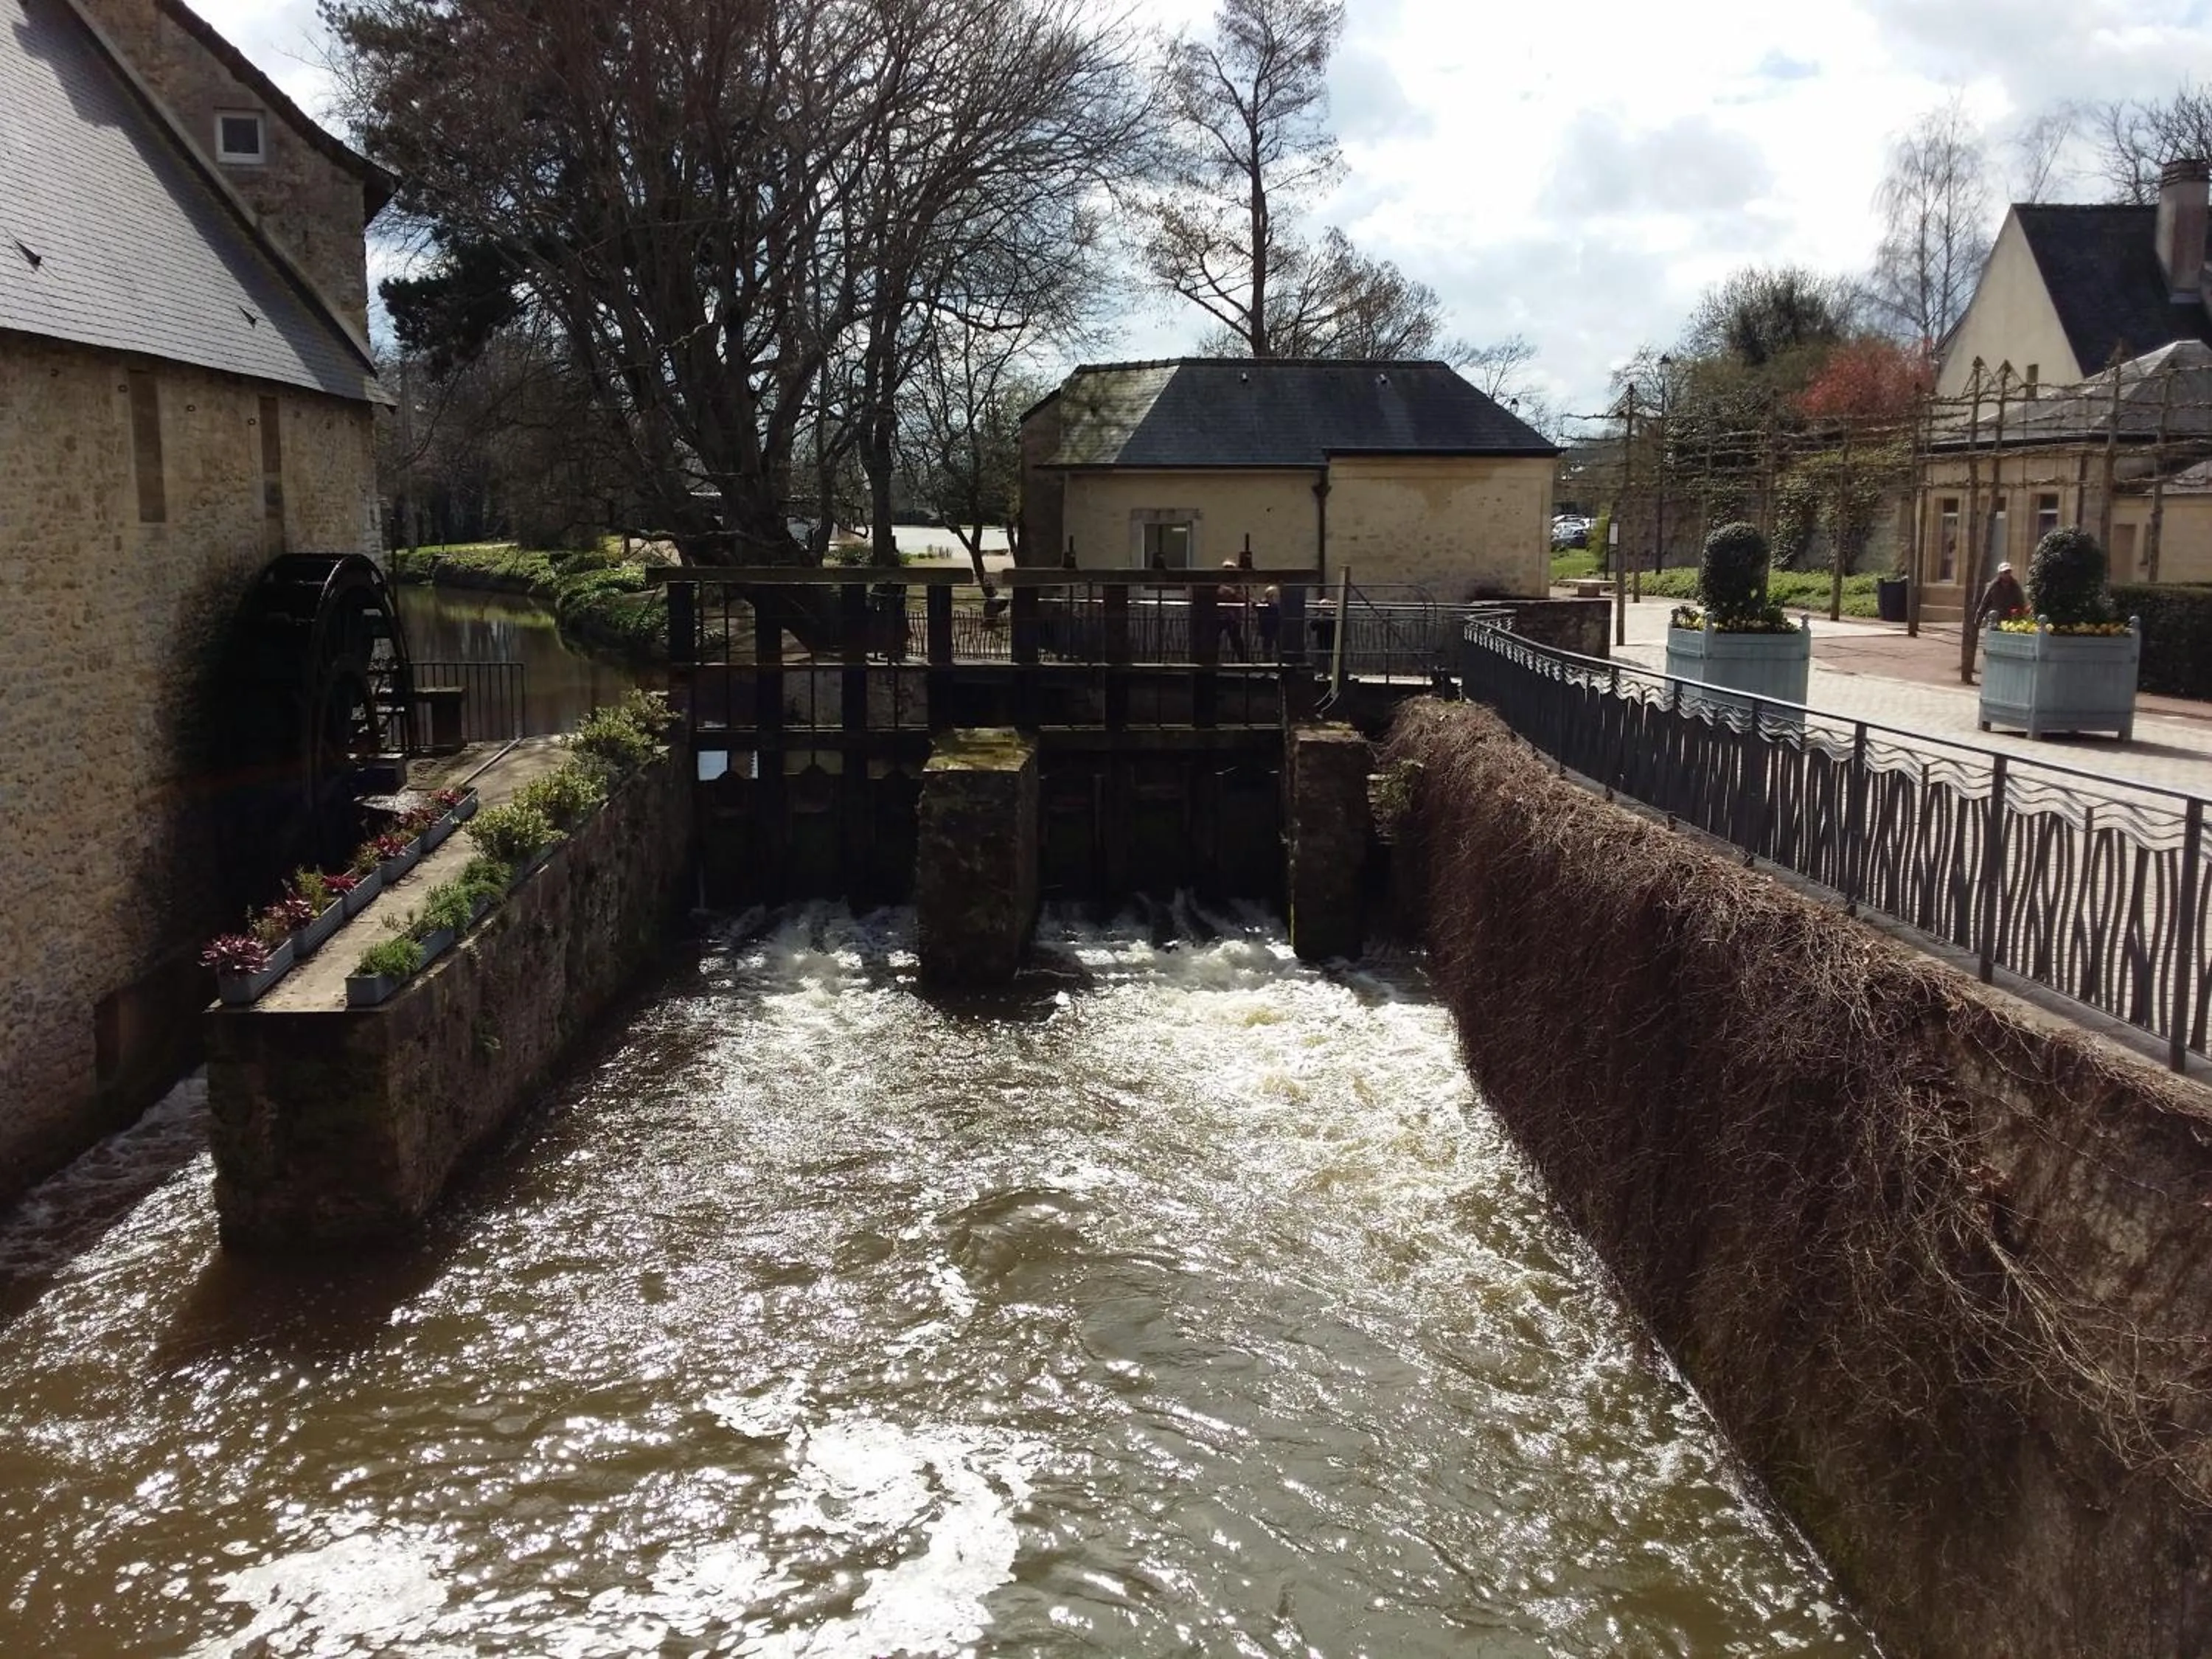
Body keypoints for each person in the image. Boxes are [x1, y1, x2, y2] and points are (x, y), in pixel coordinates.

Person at [1213, 561, 1248, 661]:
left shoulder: (1236, 585)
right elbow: (1214, 596)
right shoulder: (1218, 584)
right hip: (1220, 616)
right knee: (1213, 640)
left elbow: (1242, 598)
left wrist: (1232, 593)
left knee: (1236, 640)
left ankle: (1244, 662)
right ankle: (1212, 662)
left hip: (1233, 617)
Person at [1977, 560, 2026, 624]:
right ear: (2000, 574)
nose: (2007, 574)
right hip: (1995, 619)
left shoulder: (2015, 586)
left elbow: (2021, 602)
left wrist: (2022, 617)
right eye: (2005, 572)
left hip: (2010, 620)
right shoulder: (1993, 586)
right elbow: (1984, 602)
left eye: (2009, 572)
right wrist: (1979, 618)